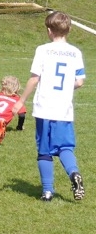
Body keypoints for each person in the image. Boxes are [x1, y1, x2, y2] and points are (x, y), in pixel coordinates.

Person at [12, 11, 86, 202]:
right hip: (64, 109)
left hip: (44, 107)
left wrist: (20, 101)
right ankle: (74, 173)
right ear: (69, 30)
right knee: (65, 147)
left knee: (44, 150)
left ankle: (47, 191)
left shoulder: (43, 50)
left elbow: (34, 78)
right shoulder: (75, 52)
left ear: (49, 31)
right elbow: (79, 81)